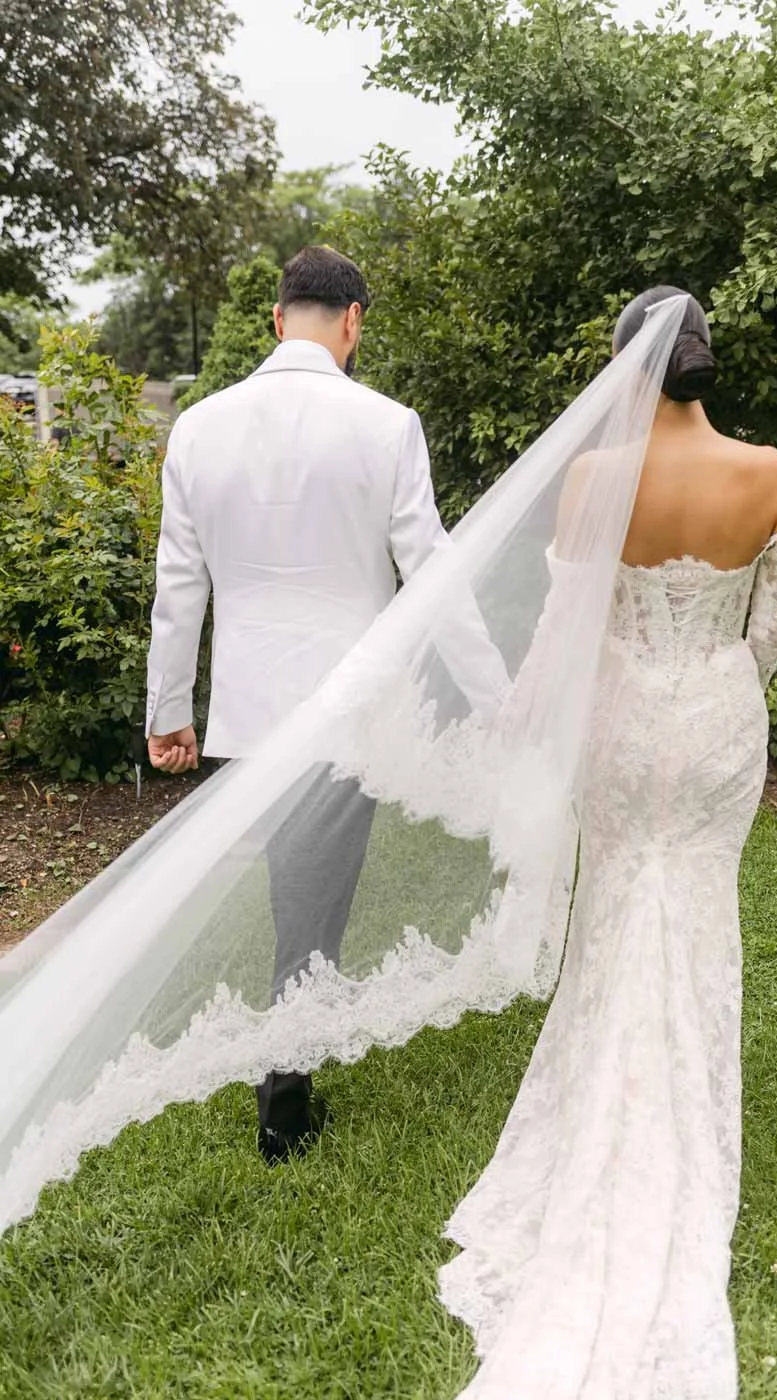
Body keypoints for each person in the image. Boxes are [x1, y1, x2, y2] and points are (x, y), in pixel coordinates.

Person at [437, 287, 777, 1397]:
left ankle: (600, 1111)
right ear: (704, 363)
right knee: (695, 903)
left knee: (614, 906)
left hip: (622, 728)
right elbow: (771, 637)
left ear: (624, 370)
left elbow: (568, 636)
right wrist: (712, 682)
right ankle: (685, 1112)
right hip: (716, 724)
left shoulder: (591, 481)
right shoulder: (769, 472)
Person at [144, 244, 508, 1164]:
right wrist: (496, 696)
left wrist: (166, 711)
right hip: (347, 706)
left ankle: (283, 1069)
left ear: (277, 318)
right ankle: (283, 1099)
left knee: (293, 890)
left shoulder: (197, 427)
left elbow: (178, 584)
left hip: (245, 710)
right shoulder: (387, 425)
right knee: (312, 902)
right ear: (352, 322)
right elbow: (431, 575)